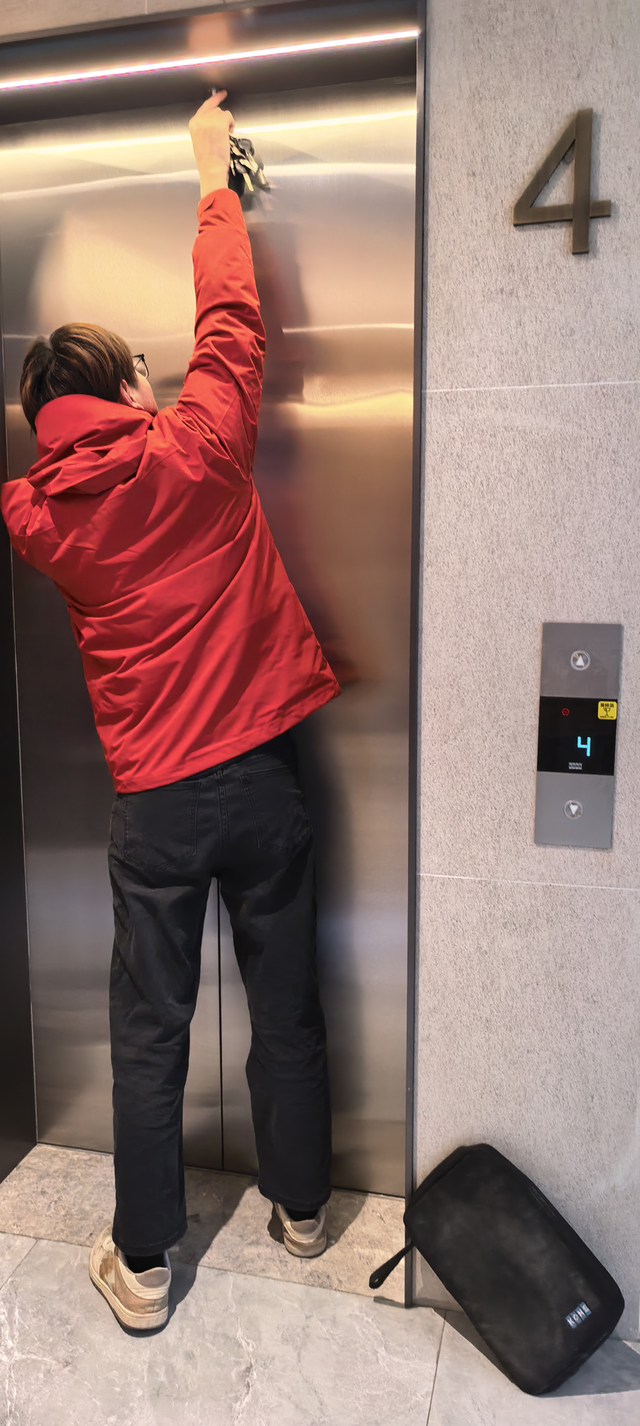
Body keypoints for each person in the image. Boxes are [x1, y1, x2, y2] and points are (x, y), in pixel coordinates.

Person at [1, 93, 340, 1332]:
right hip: (261, 777)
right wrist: (212, 183)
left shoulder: (38, 518)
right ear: (122, 387)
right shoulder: (197, 446)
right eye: (140, 367)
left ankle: (142, 1264)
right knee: (284, 997)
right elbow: (231, 324)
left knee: (151, 1030)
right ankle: (302, 1209)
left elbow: (57, 475)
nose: (159, 372)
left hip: (154, 803)